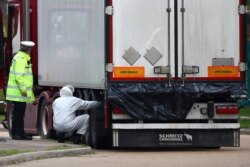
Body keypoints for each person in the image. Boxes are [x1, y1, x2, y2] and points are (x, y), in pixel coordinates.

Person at [6, 41, 35, 140]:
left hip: (19, 93)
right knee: (18, 115)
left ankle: (21, 133)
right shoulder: (21, 59)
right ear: (29, 50)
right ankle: (16, 134)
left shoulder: (21, 57)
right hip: (18, 93)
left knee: (20, 114)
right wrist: (23, 89)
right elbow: (19, 76)